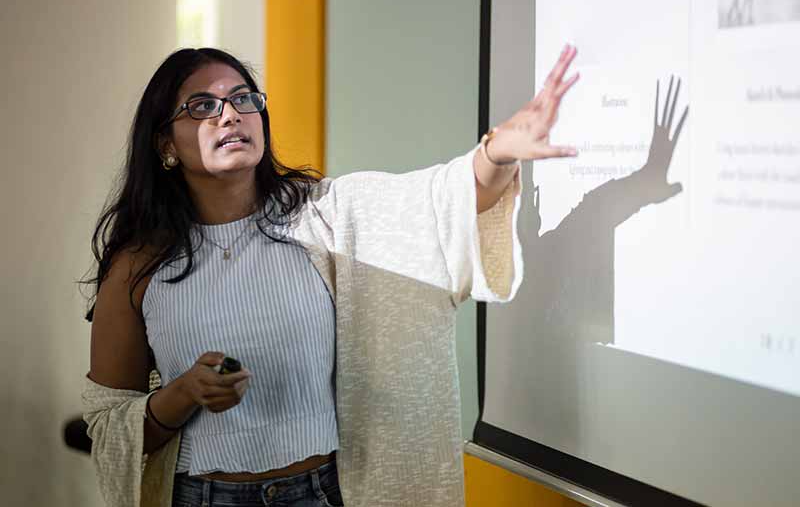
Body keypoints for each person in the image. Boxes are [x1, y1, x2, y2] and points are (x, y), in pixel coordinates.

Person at [81, 44, 579, 507]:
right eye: (202, 107)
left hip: (321, 492)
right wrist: (184, 392)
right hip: (203, 496)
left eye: (242, 99)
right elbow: (109, 425)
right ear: (165, 143)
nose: (230, 113)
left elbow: (445, 201)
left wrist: (498, 152)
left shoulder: (329, 215)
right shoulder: (138, 265)